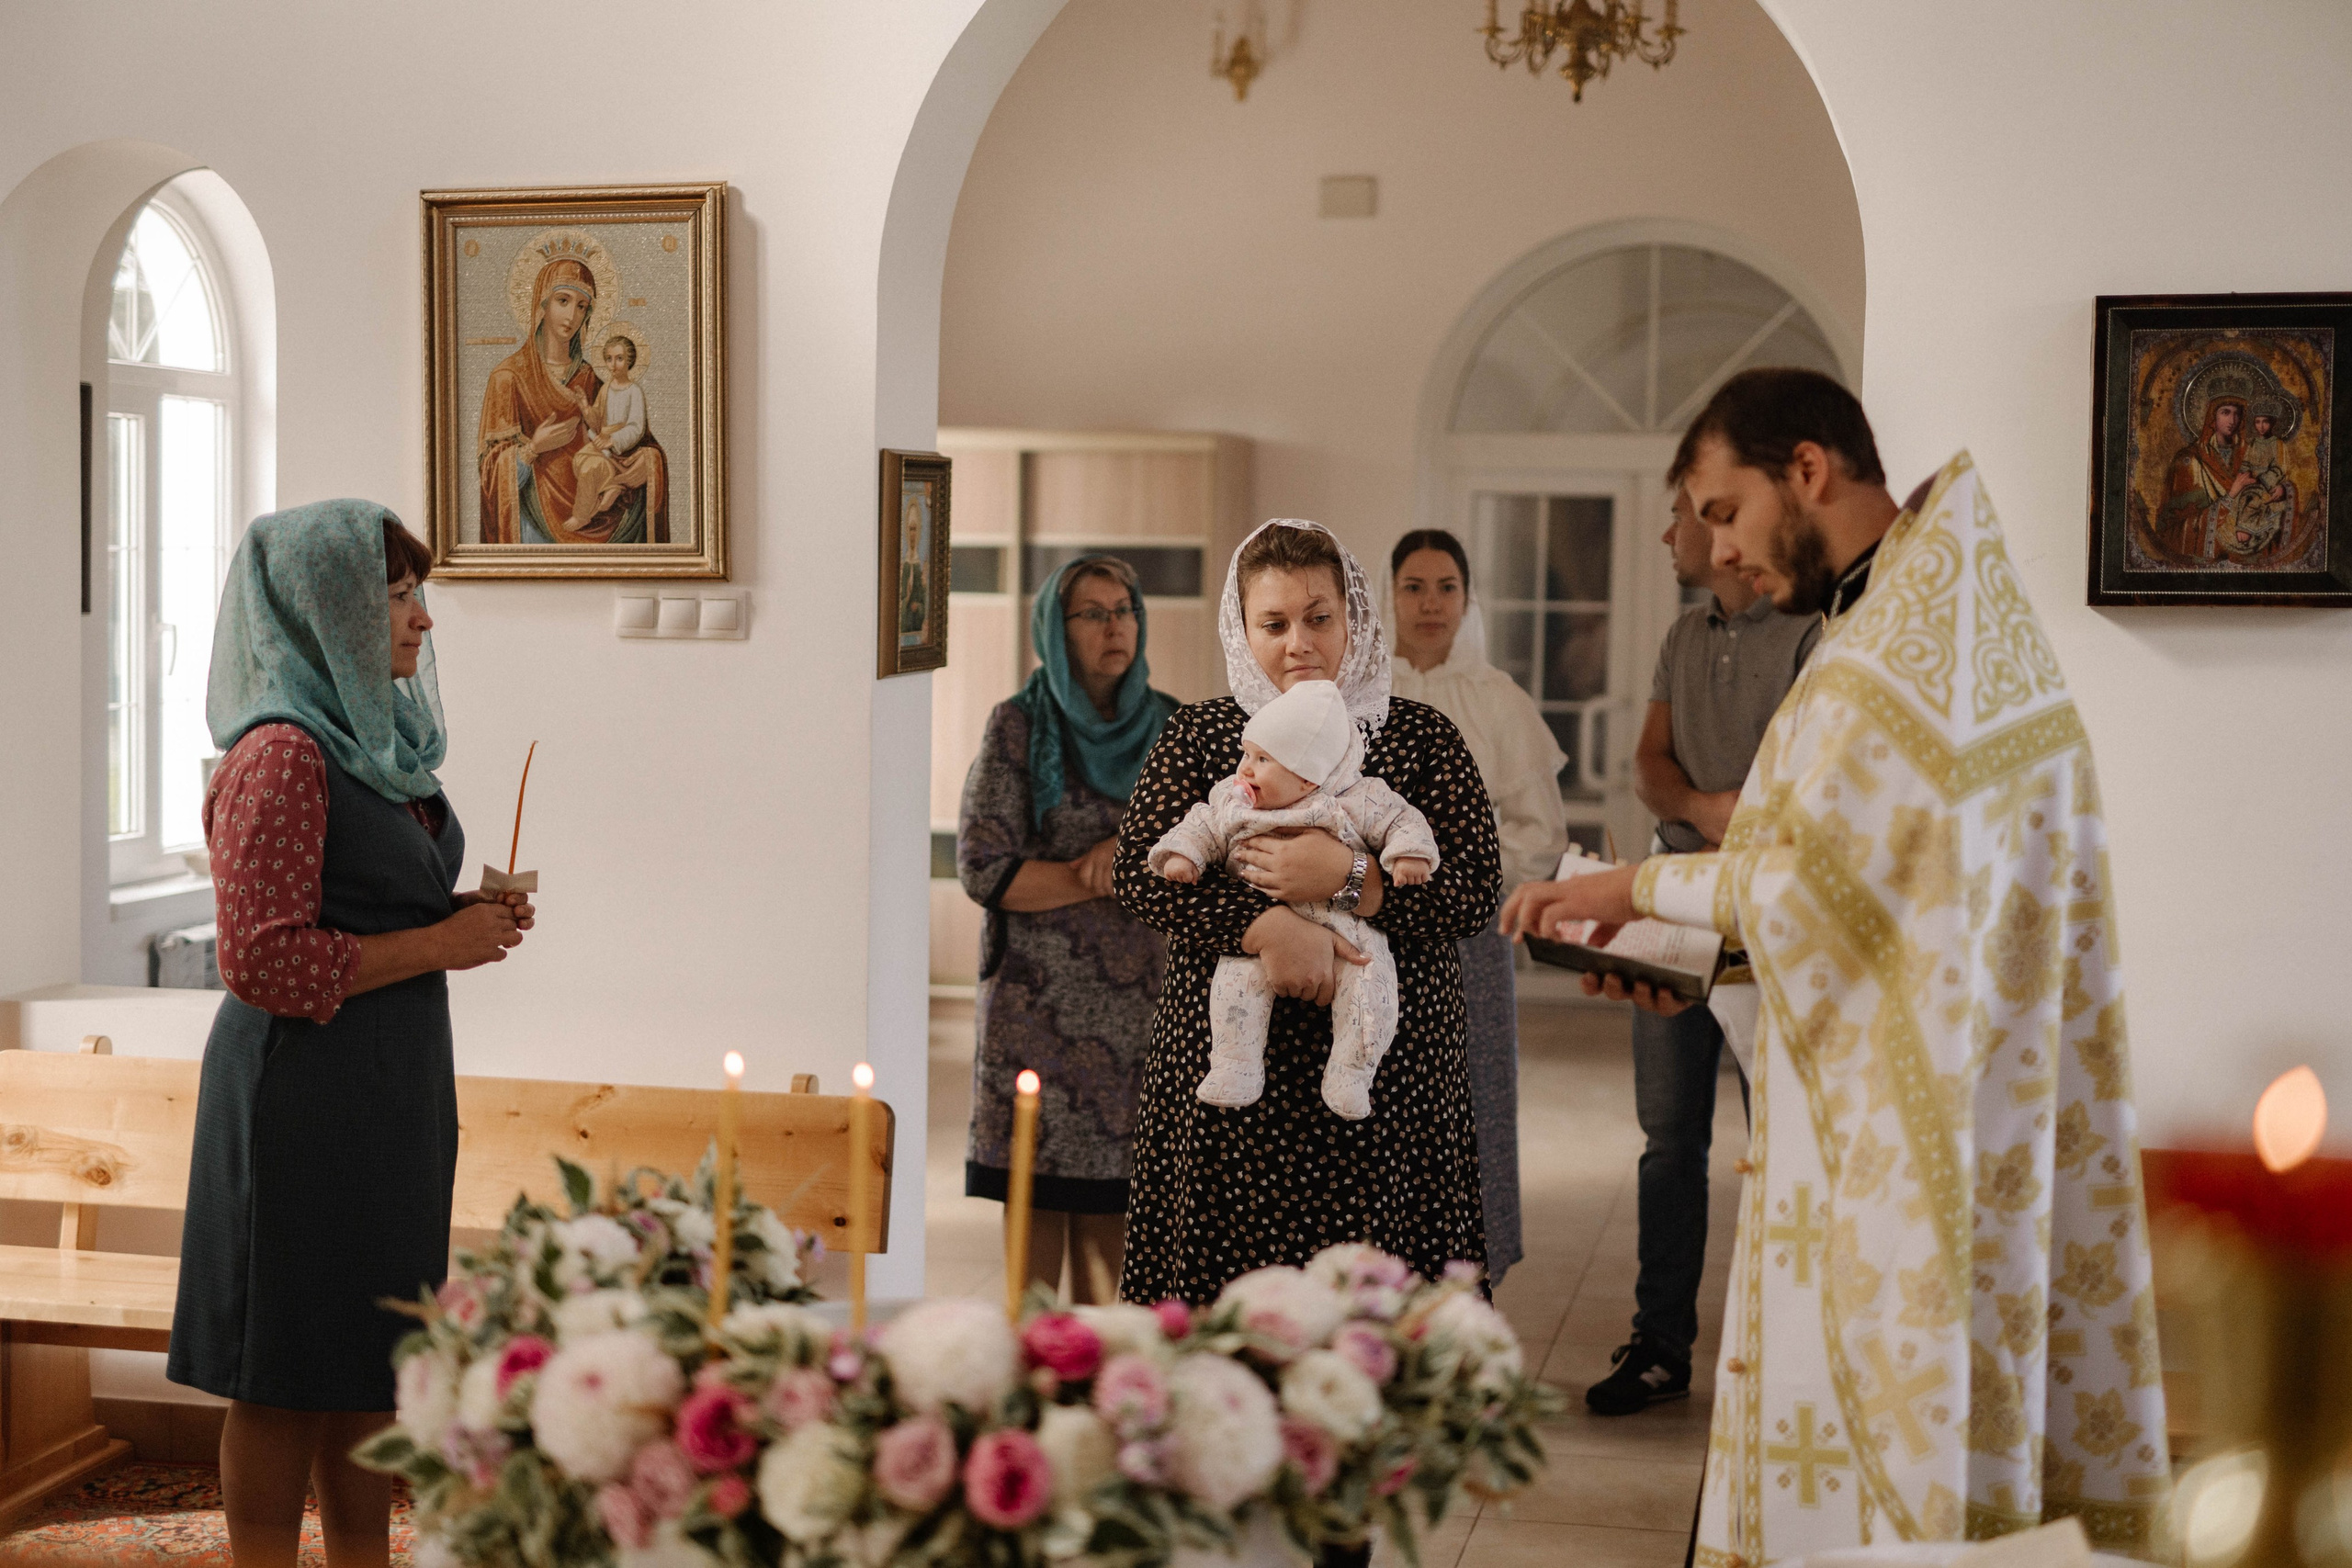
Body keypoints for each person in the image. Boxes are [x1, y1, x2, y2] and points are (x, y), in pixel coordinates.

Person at [1504, 369, 2169, 1562]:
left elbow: (1801, 883)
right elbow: (1875, 904)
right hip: (1960, 1100)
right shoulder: (1927, 613)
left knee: (1899, 1450)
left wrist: (1625, 892)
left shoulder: (1890, 656)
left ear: (1806, 469)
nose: (1712, 553)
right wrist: (1695, 963)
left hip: (1916, 1144)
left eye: (1722, 509)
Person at [169, 503, 535, 1567]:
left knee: (370, 1360)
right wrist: (439, 945)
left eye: (417, 595)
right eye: (393, 599)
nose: (421, 621)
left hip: (385, 1090)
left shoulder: (373, 746)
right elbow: (263, 960)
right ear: (324, 613)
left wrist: (461, 916)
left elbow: (359, 902)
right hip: (300, 1097)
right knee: (283, 1374)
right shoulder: (283, 755)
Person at [1115, 518, 1499, 1302]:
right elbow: (1140, 873)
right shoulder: (1202, 734)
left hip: (1387, 1085)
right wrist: (1269, 928)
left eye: (1319, 618)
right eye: (1275, 623)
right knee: (1229, 1316)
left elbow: (1473, 891)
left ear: (1353, 621)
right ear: (1242, 628)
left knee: (1375, 1319)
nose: (1300, 643)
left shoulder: (1420, 739)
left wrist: (1353, 877)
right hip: (1232, 1088)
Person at [1584, 487, 1818, 1416]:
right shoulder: (1682, 635)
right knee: (1667, 1141)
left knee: (1781, 1142)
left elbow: (1805, 779)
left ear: (1724, 535)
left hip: (1769, 914)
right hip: (1673, 907)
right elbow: (1647, 764)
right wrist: (1707, 810)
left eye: (1680, 513)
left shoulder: (1808, 633)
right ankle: (1659, 1344)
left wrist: (1737, 820)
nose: (1666, 531)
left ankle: (1778, 1347)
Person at [957, 556, 1180, 1303]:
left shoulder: (1175, 727)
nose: (1116, 625)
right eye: (1094, 613)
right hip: (1036, 1014)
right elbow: (984, 868)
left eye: (1126, 609)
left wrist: (1127, 865)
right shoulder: (1019, 727)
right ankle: (1032, 1384)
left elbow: (1206, 858)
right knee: (1036, 1230)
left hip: (1141, 1014)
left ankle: (1101, 1387)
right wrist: (1095, 874)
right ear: (1057, 628)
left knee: (1115, 1228)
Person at [1385, 528, 1563, 1281]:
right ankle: (1380, 1273)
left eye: (1447, 587)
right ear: (1390, 597)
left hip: (1466, 939)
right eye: (1415, 587)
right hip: (1374, 924)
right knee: (1382, 1102)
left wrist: (1463, 885)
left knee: (1472, 1100)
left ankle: (1467, 1279)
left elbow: (1540, 831)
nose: (1431, 603)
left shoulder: (1498, 700)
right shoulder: (1362, 694)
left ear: (1467, 597)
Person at [1148, 677, 1439, 1119]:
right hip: (1257, 923)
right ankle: (1235, 1065)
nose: (1244, 768)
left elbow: (1402, 819)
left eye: (1263, 759)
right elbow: (1200, 824)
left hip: (1348, 926)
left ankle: (1352, 1071)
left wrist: (1408, 856)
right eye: (1247, 753)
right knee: (1236, 986)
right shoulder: (1233, 799)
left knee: (1371, 988)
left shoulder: (1353, 799)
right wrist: (1181, 855)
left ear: (1306, 775)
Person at [478, 256, 666, 547]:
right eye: (562, 300)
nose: (572, 315)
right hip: (535, 525)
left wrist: (647, 463)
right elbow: (490, 475)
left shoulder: (591, 378)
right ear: (542, 305)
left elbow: (633, 440)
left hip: (599, 514)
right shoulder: (509, 377)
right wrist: (532, 449)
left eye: (581, 306)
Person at [565, 331, 664, 532]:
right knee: (579, 458)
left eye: (619, 359)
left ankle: (581, 516)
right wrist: (585, 407)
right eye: (609, 359)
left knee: (591, 467)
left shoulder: (634, 391)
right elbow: (597, 422)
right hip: (603, 442)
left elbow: (636, 428)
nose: (614, 364)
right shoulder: (607, 387)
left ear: (629, 361)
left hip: (624, 450)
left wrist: (612, 440)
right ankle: (611, 487)